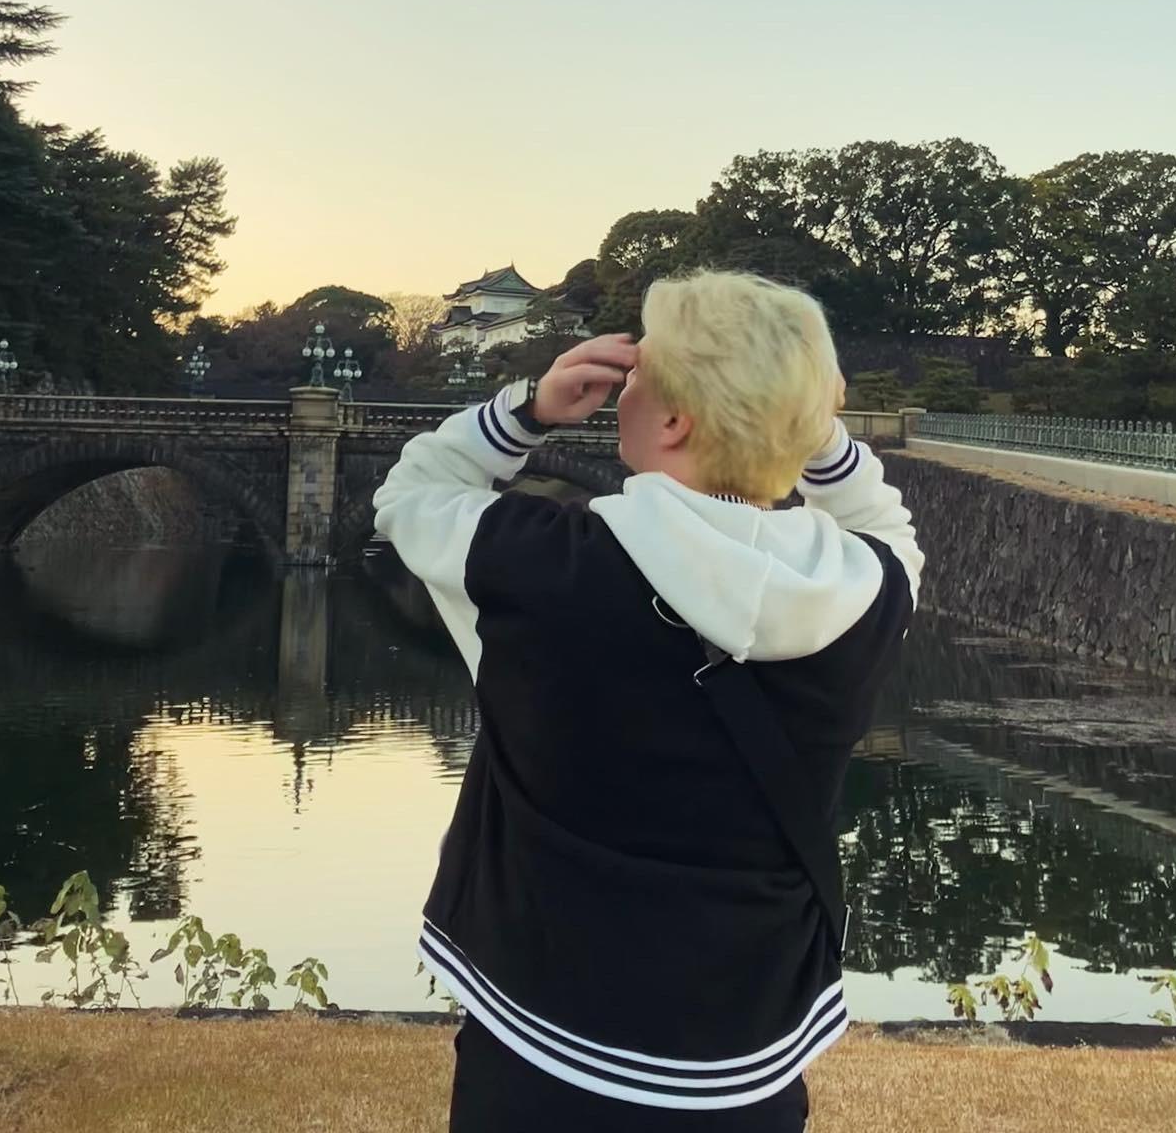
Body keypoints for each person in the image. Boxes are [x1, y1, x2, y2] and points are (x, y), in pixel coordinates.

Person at [372, 269, 922, 1130]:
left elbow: (410, 495)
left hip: (546, 1037)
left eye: (638, 370)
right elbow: (886, 522)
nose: (621, 384)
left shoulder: (541, 564)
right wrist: (807, 430)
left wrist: (525, 410)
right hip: (750, 1053)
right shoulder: (864, 591)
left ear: (672, 420)